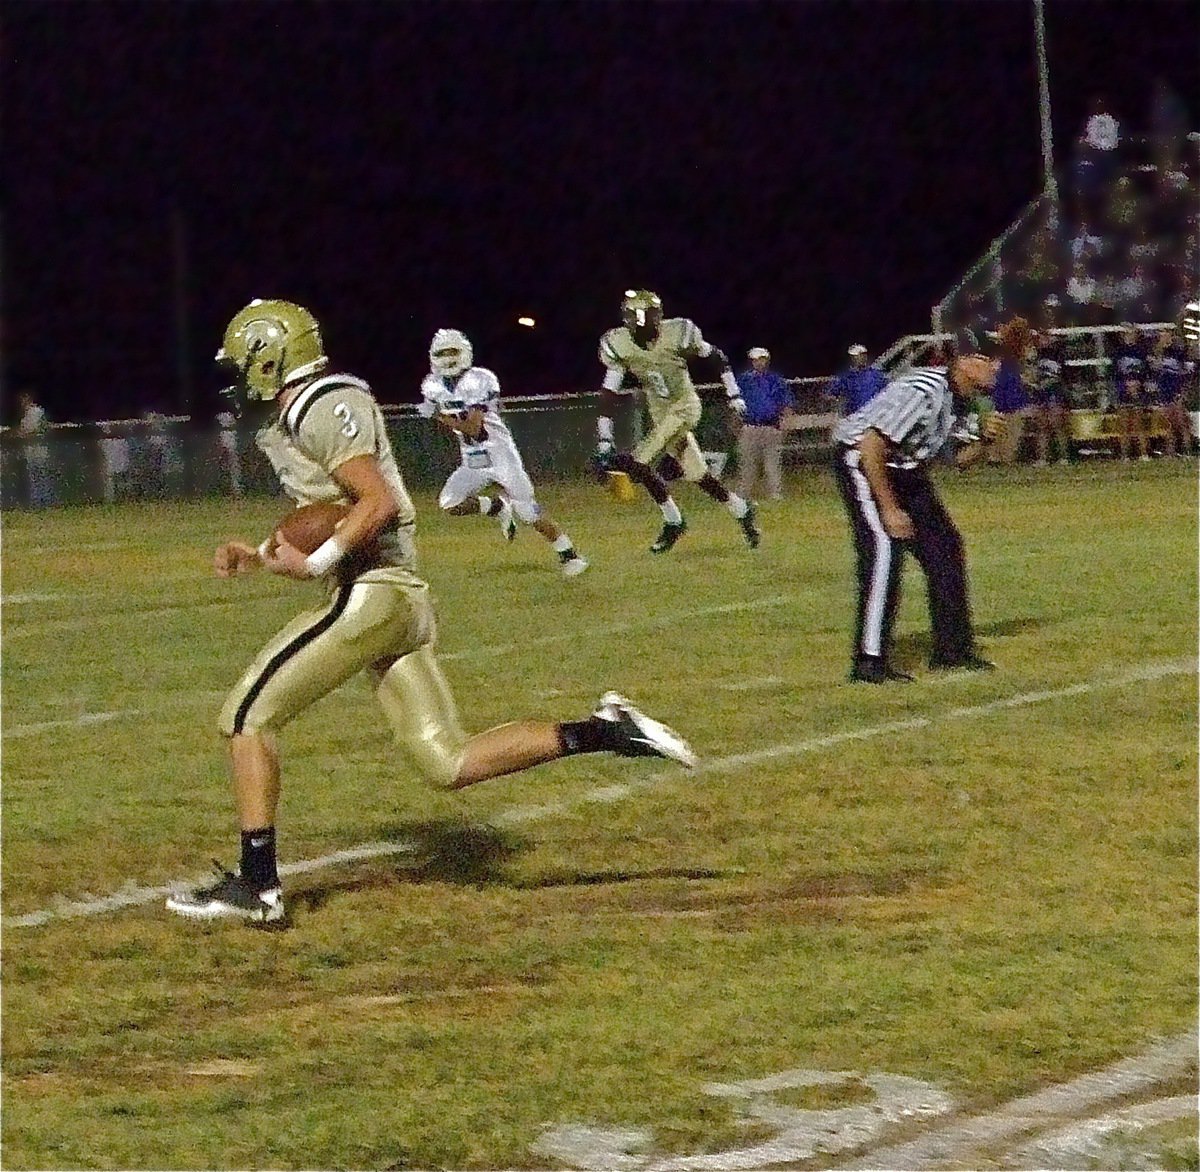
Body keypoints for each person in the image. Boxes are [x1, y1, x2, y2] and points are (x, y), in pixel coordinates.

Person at [166, 299, 696, 923]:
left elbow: (376, 501)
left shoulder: (320, 402)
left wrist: (313, 563)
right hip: (395, 598)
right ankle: (603, 729)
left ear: (269, 355)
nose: (234, 376)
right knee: (447, 761)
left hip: (375, 592)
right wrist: (261, 553)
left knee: (246, 718)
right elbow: (327, 511)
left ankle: (257, 886)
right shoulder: (297, 412)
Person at [831, 331, 1002, 683]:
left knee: (945, 549)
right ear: (964, 362)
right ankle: (869, 662)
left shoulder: (965, 399)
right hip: (865, 463)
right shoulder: (923, 389)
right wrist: (890, 509)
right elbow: (871, 444)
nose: (997, 367)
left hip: (906, 469)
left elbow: (961, 461)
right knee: (883, 552)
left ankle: (952, 651)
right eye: (988, 359)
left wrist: (985, 440)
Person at [592, 289, 760, 553]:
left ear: (657, 316)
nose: (639, 324)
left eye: (643, 317)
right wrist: (604, 437)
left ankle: (674, 521)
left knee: (639, 459)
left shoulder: (679, 331)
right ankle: (742, 509)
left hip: (685, 406)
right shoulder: (618, 342)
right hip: (659, 411)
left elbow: (717, 357)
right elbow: (608, 393)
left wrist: (734, 393)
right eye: (633, 318)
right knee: (698, 475)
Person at [419, 329, 588, 578]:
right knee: (450, 503)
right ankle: (496, 507)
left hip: (499, 455)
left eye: (452, 352)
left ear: (465, 353)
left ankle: (569, 555)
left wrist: (437, 415)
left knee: (527, 510)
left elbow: (474, 428)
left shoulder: (479, 379)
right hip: (473, 460)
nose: (447, 358)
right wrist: (440, 414)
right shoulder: (432, 385)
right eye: (442, 353)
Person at [733, 346, 795, 501]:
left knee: (772, 463)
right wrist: (735, 424)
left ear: (767, 360)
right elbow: (736, 403)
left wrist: (786, 425)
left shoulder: (776, 380)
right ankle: (744, 494)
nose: (759, 363)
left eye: (762, 359)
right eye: (755, 360)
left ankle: (775, 493)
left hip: (771, 426)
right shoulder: (744, 381)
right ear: (752, 361)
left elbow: (786, 405)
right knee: (747, 462)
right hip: (750, 426)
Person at [1147, 326, 1194, 459]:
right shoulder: (1155, 351)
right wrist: (1160, 348)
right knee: (1167, 424)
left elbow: (1187, 373)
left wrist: (1183, 392)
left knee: (1181, 421)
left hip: (1176, 390)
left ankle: (1187, 451)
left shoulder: (1178, 352)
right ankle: (1170, 451)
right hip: (1163, 390)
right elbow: (1153, 367)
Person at [1029, 330, 1073, 466]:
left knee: (1057, 425)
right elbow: (1030, 373)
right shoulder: (1035, 355)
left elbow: (1064, 376)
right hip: (1040, 391)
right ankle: (1042, 458)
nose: (1044, 340)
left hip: (1055, 390)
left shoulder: (1058, 354)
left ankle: (1064, 457)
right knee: (1042, 427)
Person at [1111, 324, 1150, 462]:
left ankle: (1143, 453)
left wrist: (1137, 384)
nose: (1129, 336)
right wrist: (1125, 385)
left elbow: (1145, 371)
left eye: (1131, 333)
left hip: (1138, 390)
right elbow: (1115, 372)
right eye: (1127, 333)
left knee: (1138, 423)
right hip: (1123, 389)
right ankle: (1125, 455)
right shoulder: (1118, 351)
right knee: (1124, 424)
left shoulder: (1141, 351)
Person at [15, 389, 54, 507]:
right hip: (30, 450)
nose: (21, 402)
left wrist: (20, 434)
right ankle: (37, 502)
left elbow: (32, 430)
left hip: (39, 449)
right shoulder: (26, 415)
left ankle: (46, 501)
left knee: (41, 476)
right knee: (34, 477)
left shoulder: (36, 412)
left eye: (23, 399)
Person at [827, 343, 887, 415]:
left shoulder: (876, 375)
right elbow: (831, 394)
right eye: (856, 357)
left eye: (861, 356)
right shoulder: (846, 377)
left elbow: (886, 392)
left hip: (873, 414)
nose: (859, 359)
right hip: (854, 416)